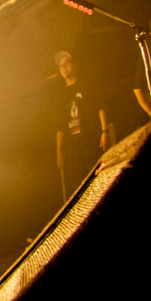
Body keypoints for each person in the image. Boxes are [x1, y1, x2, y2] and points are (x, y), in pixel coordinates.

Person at [53, 50, 107, 201]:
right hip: (73, 150)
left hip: (91, 142)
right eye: (61, 65)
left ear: (74, 64)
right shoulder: (60, 95)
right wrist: (59, 151)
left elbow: (100, 107)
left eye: (67, 63)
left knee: (96, 184)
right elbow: (59, 125)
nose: (64, 67)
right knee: (79, 189)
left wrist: (104, 131)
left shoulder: (87, 84)